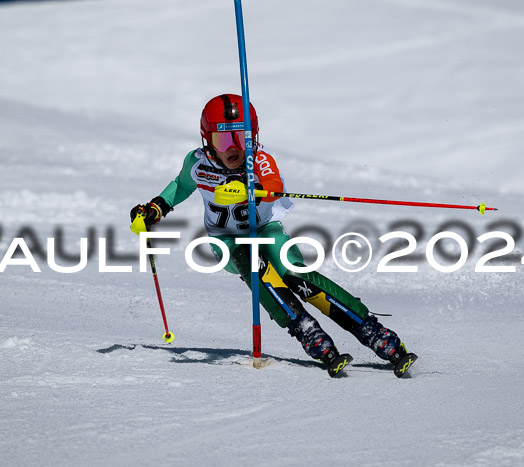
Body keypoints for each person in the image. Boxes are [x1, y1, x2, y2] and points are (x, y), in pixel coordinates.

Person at [130, 94, 417, 378]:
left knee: (293, 273)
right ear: (208, 140)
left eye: (241, 139)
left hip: (265, 229)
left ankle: (373, 331)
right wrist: (155, 209)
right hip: (226, 241)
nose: (234, 149)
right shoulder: (197, 162)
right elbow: (180, 186)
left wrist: (249, 190)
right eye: (223, 141)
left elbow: (273, 183)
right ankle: (308, 333)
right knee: (252, 264)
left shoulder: (259, 159)